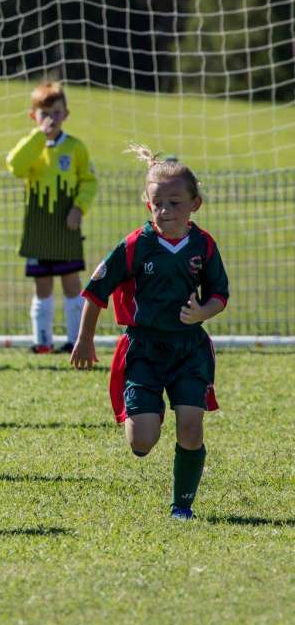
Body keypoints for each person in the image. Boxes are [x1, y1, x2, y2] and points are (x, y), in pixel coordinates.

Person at [70, 144, 229, 520]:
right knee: (141, 442)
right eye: (158, 203)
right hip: (143, 350)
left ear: (195, 204)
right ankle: (148, 410)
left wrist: (202, 312)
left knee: (191, 428)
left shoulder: (203, 245)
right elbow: (95, 292)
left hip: (189, 349)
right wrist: (85, 338)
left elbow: (220, 294)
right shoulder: (135, 246)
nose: (165, 211)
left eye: (175, 203)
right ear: (148, 204)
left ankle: (182, 506)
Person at [5, 81, 97, 354]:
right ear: (33, 117)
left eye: (56, 113)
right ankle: (42, 342)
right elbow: (15, 167)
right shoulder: (32, 146)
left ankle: (74, 341)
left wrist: (79, 208)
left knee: (71, 283)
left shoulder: (76, 148)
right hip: (39, 228)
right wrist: (38, 137)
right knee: (42, 285)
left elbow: (89, 181)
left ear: (66, 114)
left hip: (66, 226)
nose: (51, 119)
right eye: (44, 113)